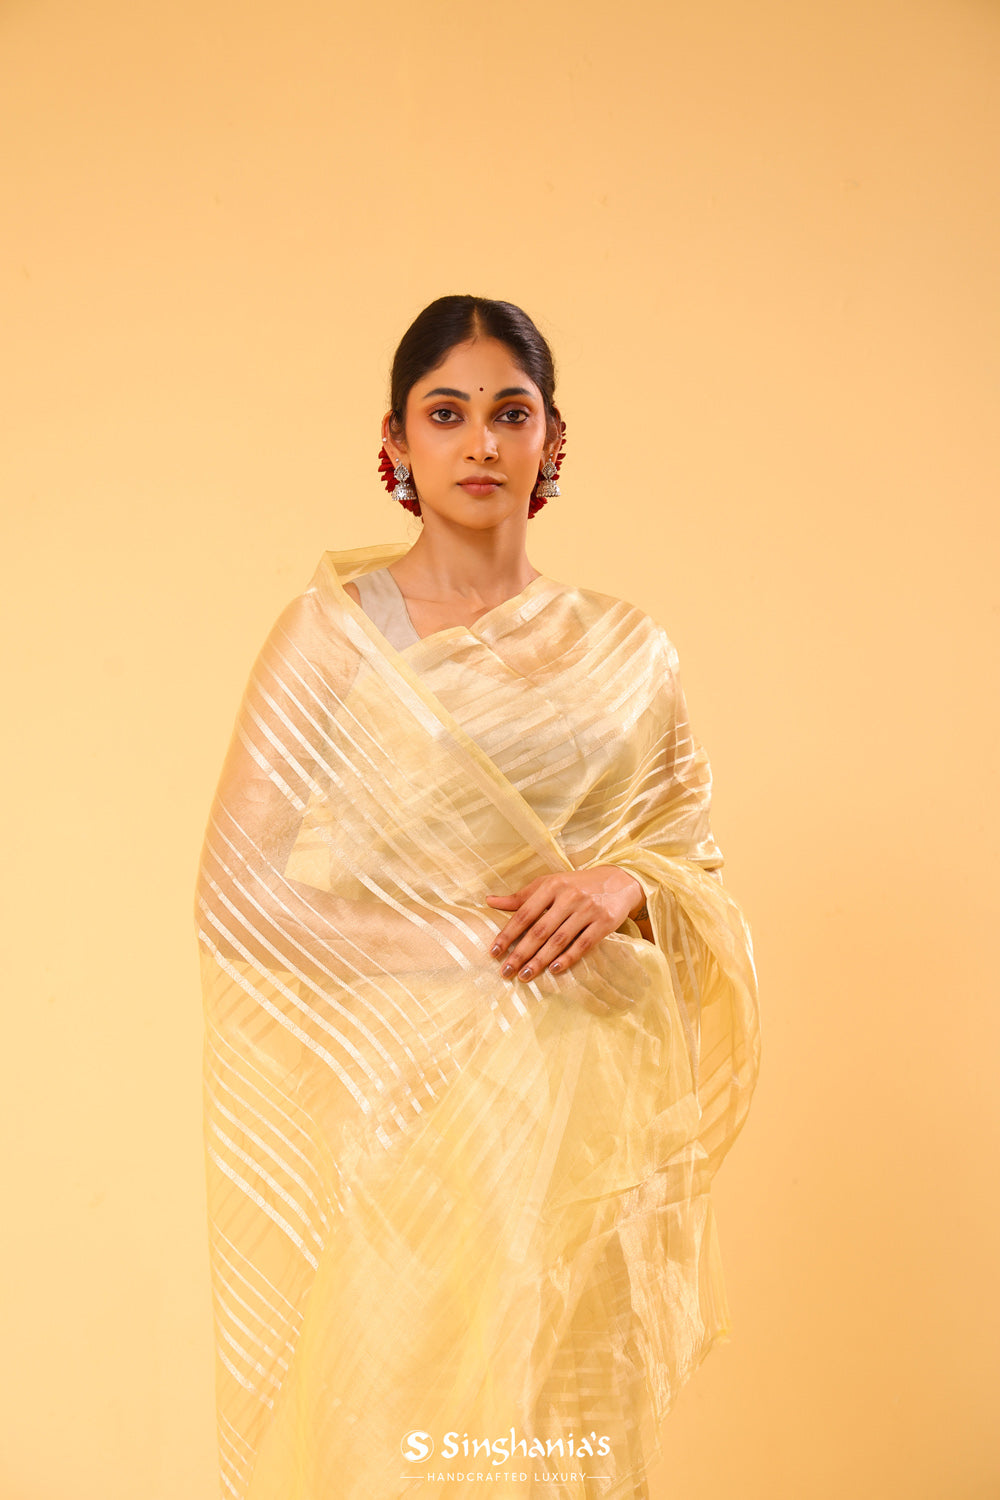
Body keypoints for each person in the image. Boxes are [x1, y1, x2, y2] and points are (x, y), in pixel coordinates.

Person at [193, 294, 761, 1500]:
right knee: (405, 1426)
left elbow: (689, 860)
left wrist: (623, 885)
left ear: (554, 439)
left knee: (563, 1434)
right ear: (394, 441)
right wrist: (468, 947)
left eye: (511, 413)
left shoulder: (627, 648)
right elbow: (234, 900)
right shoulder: (333, 638)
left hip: (593, 1115)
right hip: (413, 1105)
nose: (481, 443)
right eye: (446, 414)